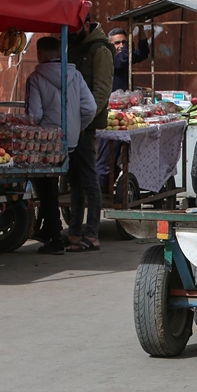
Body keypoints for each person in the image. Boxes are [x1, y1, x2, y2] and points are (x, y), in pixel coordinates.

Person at [26, 37, 98, 255]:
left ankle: (54, 234)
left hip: (48, 141)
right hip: (73, 139)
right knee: (78, 183)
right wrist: (77, 127)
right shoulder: (75, 75)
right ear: (59, 51)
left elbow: (35, 114)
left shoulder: (36, 78)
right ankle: (68, 230)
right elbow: (90, 107)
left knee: (47, 185)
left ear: (39, 54)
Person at [68, 15, 114, 251]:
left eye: (76, 28)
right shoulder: (75, 45)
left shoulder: (100, 50)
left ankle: (92, 233)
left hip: (86, 125)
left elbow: (102, 90)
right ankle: (75, 231)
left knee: (88, 179)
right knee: (75, 180)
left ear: (87, 25)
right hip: (74, 124)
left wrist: (85, 120)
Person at [108, 28, 150, 92]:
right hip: (112, 99)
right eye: (117, 43)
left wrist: (140, 28)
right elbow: (124, 57)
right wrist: (130, 33)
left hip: (125, 97)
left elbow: (142, 53)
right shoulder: (109, 58)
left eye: (124, 42)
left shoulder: (126, 57)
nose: (121, 46)